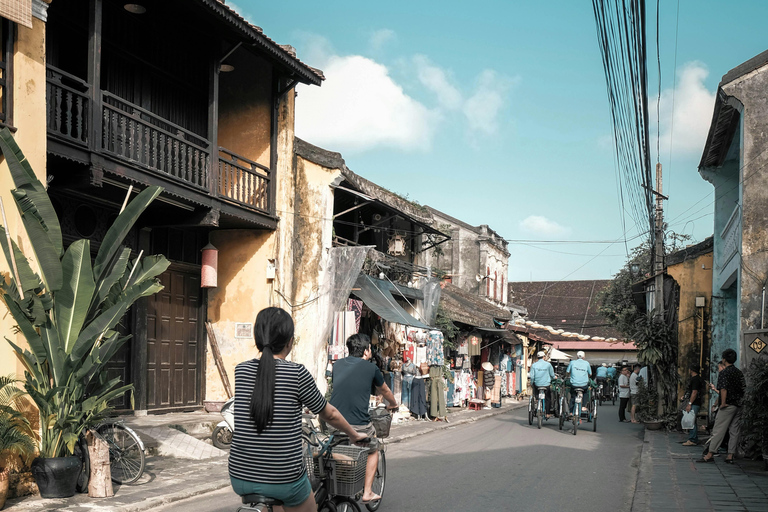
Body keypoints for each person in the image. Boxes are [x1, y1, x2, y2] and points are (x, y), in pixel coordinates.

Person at [229, 307, 368, 512]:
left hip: (240, 476)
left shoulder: (241, 371)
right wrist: (354, 435)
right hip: (284, 478)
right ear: (290, 341)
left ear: (258, 338)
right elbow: (329, 413)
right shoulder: (297, 373)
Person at [330, 334, 399, 503]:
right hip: (357, 425)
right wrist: (393, 404)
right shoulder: (371, 368)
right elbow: (385, 391)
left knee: (335, 448)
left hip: (333, 421)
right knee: (373, 448)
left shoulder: (337, 365)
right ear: (367, 351)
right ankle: (367, 492)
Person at [698, 349, 746, 464]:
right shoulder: (738, 372)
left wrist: (723, 403)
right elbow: (743, 388)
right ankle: (730, 455)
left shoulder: (724, 373)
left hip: (728, 405)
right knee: (734, 430)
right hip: (738, 404)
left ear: (724, 359)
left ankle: (709, 454)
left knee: (718, 430)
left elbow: (723, 389)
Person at [528, 351, 555, 418]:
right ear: (544, 357)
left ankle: (537, 399)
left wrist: (531, 383)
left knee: (535, 387)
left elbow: (532, 377)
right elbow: (552, 375)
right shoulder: (548, 365)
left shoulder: (534, 365)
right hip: (546, 385)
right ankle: (547, 413)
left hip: (537, 385)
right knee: (548, 398)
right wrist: (554, 377)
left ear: (538, 357)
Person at [682, 364, 704, 446]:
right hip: (695, 402)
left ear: (691, 370)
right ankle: (693, 438)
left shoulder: (695, 380)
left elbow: (694, 392)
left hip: (694, 403)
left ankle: (693, 439)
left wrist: (690, 403)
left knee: (691, 420)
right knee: (692, 420)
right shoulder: (698, 379)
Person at [566, 351, 592, 419]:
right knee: (586, 392)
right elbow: (590, 373)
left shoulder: (572, 362)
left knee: (573, 395)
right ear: (584, 357)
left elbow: (567, 372)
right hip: (584, 384)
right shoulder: (586, 363)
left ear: (577, 357)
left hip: (574, 384)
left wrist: (568, 376)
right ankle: (583, 406)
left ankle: (571, 412)